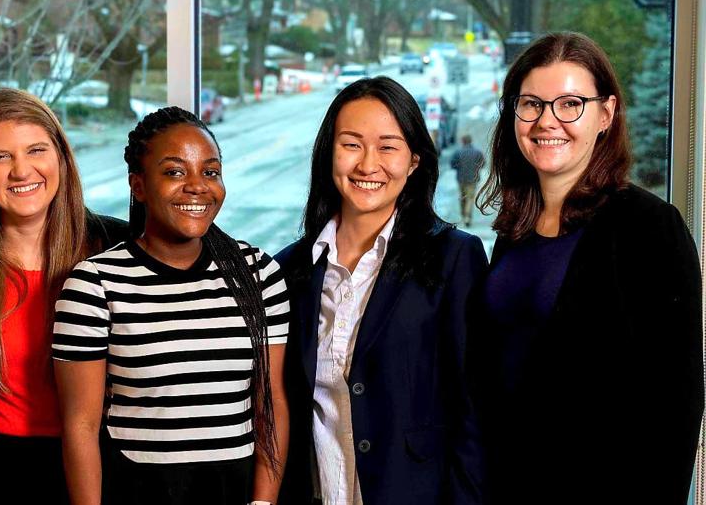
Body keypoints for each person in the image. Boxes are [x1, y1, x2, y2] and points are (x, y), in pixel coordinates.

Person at [471, 32, 703, 505]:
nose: (546, 121)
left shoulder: (647, 226)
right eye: (531, 103)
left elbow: (675, 405)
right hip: (510, 486)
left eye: (570, 104)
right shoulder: (515, 229)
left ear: (605, 114)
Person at [52, 106, 290, 505]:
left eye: (210, 171)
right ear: (138, 185)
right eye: (175, 172)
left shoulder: (259, 274)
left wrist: (263, 502)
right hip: (137, 490)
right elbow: (81, 425)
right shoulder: (94, 285)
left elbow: (272, 403)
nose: (197, 186)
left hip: (235, 490)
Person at [276, 76, 485, 505]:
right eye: (351, 144)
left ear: (414, 161)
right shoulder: (290, 269)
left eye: (388, 146)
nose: (368, 164)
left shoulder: (454, 257)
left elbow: (475, 410)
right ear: (328, 154)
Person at [0, 88, 127, 503]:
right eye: (0, 157)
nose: (21, 171)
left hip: (99, 470)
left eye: (36, 150)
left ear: (60, 156)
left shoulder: (116, 245)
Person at [450, 134, 484, 226]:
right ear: (470, 141)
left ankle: (463, 215)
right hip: (473, 179)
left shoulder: (458, 152)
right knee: (470, 198)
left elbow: (453, 164)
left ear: (463, 141)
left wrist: (459, 168)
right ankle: (467, 217)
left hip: (461, 178)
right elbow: (483, 163)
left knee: (463, 197)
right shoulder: (477, 152)